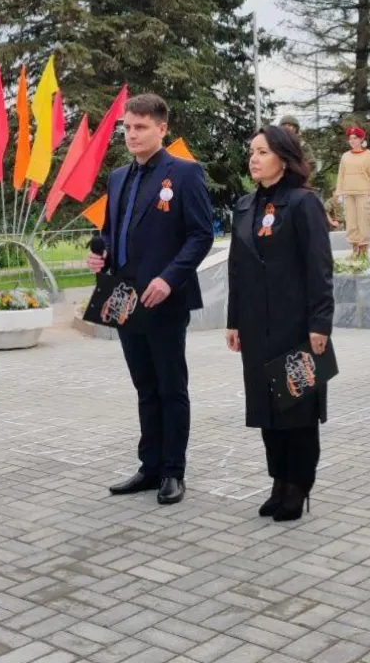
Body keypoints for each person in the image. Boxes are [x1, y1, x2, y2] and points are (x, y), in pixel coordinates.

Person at [86, 94, 214, 505]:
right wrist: (99, 252)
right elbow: (109, 230)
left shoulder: (185, 174)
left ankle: (173, 472)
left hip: (163, 299)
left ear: (162, 128)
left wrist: (169, 279)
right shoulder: (120, 176)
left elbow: (201, 235)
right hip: (123, 297)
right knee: (144, 386)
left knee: (170, 386)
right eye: (127, 127)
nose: (132, 134)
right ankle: (150, 466)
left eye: (140, 127)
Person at [226, 125, 334, 522]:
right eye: (251, 151)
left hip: (295, 326)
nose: (254, 158)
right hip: (256, 327)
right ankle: (278, 481)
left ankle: (298, 486)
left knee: (297, 411)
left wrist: (320, 324)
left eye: (262, 151)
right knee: (268, 409)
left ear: (283, 158)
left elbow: (320, 268)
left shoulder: (303, 204)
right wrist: (233, 321)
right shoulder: (244, 206)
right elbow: (237, 271)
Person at [336, 127, 370, 258]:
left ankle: (364, 251)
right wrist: (340, 193)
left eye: (355, 138)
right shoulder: (345, 156)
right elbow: (341, 175)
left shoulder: (369, 155)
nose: (352, 141)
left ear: (361, 139)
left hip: (364, 193)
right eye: (350, 139)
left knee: (363, 221)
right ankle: (355, 250)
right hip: (348, 194)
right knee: (351, 222)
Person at [280, 115, 318, 192]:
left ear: (295, 128)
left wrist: (304, 180)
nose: (287, 127)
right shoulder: (276, 144)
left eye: (290, 125)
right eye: (284, 125)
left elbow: (312, 164)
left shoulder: (303, 145)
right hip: (280, 185)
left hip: (299, 186)